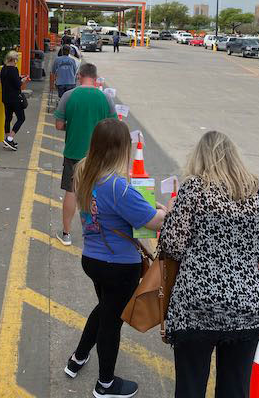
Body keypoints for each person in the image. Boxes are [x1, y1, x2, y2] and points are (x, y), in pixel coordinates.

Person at [156, 130, 259, 398]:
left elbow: (172, 246)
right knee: (235, 389)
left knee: (189, 387)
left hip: (196, 304)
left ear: (200, 158)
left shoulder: (194, 189)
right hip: (247, 306)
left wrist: (171, 219)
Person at [65, 118, 169, 398]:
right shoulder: (117, 186)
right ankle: (106, 384)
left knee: (104, 309)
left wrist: (147, 205)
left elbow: (123, 207)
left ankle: (78, 357)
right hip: (119, 266)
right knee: (111, 323)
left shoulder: (84, 172)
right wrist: (167, 210)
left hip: (93, 260)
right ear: (120, 149)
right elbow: (153, 221)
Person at [54, 63, 116, 246]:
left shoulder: (68, 96)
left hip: (73, 153)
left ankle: (66, 234)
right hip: (98, 155)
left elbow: (58, 125)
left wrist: (71, 126)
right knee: (98, 193)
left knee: (71, 192)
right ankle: (98, 234)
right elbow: (113, 127)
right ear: (96, 78)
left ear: (79, 75)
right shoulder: (105, 98)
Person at [0, 51, 28, 151]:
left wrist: (18, 78)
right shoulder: (14, 69)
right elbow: (17, 84)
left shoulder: (3, 69)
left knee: (8, 118)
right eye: (16, 60)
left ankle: (7, 140)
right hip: (15, 99)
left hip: (6, 98)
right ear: (13, 59)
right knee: (21, 118)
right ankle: (10, 138)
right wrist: (23, 80)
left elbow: (9, 81)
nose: (17, 62)